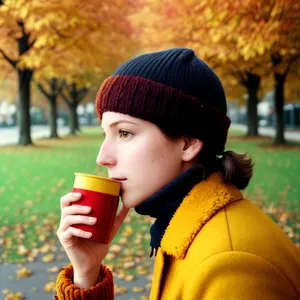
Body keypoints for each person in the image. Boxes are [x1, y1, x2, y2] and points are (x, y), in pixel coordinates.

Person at [54, 48, 300, 300]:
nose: (102, 157)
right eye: (106, 133)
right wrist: (86, 272)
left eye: (125, 133)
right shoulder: (182, 225)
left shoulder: (230, 267)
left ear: (188, 143)